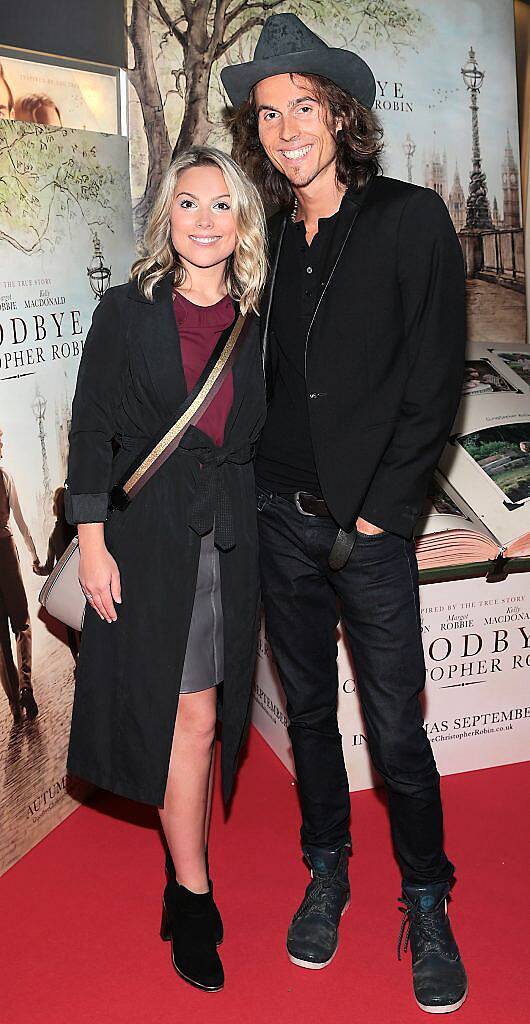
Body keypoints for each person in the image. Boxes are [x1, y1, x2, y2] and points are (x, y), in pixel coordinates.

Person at [222, 13, 468, 1014]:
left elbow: (433, 382)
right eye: (268, 111)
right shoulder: (264, 237)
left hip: (363, 528)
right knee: (311, 714)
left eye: (303, 105)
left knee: (395, 729)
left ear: (340, 114)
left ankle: (426, 894)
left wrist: (379, 519)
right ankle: (326, 864)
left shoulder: (410, 219)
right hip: (275, 516)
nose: (285, 126)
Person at [64, 146, 267, 992]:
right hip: (146, 540)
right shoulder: (126, 310)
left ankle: (184, 874)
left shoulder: (262, 318)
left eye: (224, 205)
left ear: (243, 222)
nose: (206, 221)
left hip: (233, 538)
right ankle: (191, 892)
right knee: (185, 715)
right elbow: (90, 431)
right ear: (166, 215)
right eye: (190, 203)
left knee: (212, 709)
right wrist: (95, 542)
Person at [0, 427, 39, 723]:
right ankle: (26, 685)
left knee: (0, 636)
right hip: (4, 548)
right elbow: (21, 520)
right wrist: (34, 553)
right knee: (22, 623)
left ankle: (14, 704)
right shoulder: (4, 477)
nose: (2, 446)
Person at [33, 486, 80, 661]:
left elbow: (49, 568)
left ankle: (77, 660)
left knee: (70, 627)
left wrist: (37, 569)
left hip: (67, 589)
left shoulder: (54, 535)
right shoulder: (78, 526)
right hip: (82, 582)